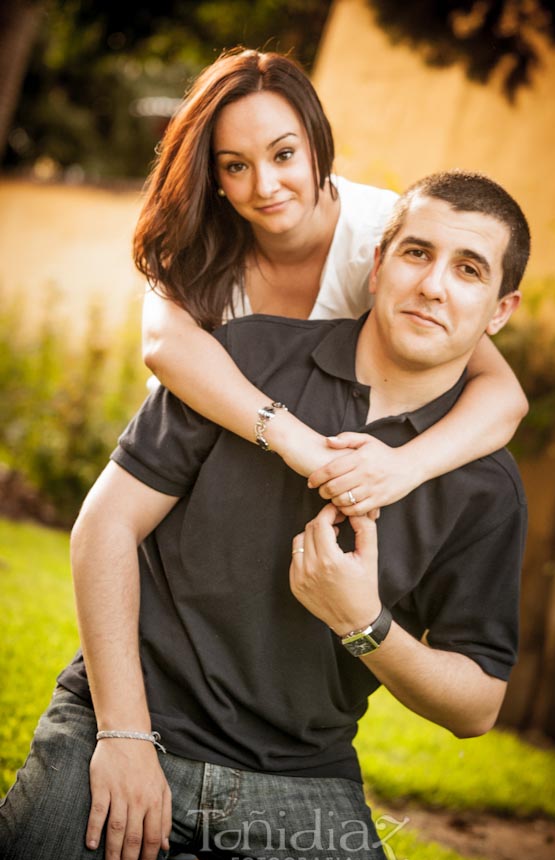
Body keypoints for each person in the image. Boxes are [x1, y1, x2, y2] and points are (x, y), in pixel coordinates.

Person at [0, 169, 530, 860]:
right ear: (376, 266)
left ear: (499, 311)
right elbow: (107, 524)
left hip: (300, 776)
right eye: (416, 253)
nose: (434, 285)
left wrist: (363, 624)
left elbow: (477, 705)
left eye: (467, 270)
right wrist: (123, 737)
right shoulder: (243, 360)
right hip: (131, 723)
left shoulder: (484, 488)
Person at [135, 47, 528, 519]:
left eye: (284, 155)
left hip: (318, 503)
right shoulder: (200, 243)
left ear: (317, 143)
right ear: (214, 175)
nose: (266, 186)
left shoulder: (388, 239)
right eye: (236, 165)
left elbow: (503, 395)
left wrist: (403, 468)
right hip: (185, 478)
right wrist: (294, 442)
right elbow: (163, 344)